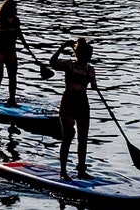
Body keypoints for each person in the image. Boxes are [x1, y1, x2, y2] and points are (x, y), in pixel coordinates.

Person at [50, 37, 97, 180]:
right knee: (68, 136)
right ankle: (63, 172)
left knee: (83, 138)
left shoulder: (90, 69)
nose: (88, 58)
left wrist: (92, 78)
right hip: (69, 101)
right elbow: (52, 63)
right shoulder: (69, 65)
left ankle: (81, 170)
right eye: (86, 56)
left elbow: (94, 87)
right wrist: (63, 46)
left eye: (89, 56)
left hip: (82, 103)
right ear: (80, 55)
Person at [0, 0, 27, 107]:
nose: (15, 9)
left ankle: (12, 100)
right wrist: (9, 31)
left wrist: (25, 43)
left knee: (13, 76)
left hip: (11, 49)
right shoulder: (0, 18)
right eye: (14, 7)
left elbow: (18, 32)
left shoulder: (16, 20)